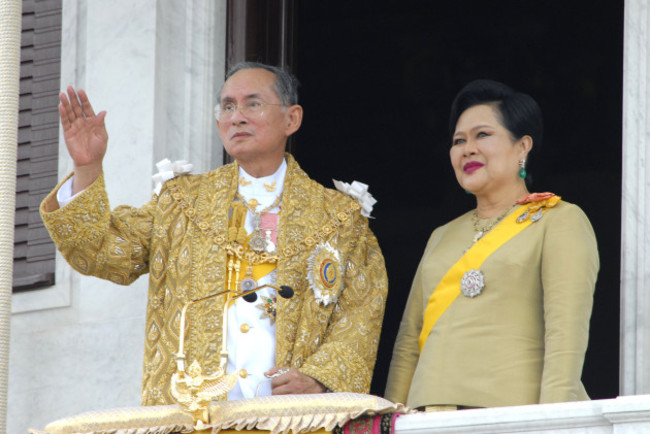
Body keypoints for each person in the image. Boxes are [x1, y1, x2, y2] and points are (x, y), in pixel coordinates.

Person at [40, 62, 388, 405]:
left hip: (293, 419)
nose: (237, 116)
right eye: (227, 106)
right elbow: (101, 252)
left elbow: (361, 312)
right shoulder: (181, 202)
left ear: (291, 119)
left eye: (253, 104)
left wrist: (319, 378)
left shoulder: (339, 217)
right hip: (194, 419)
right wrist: (87, 167)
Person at [384, 79, 599, 410]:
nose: (468, 148)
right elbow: (408, 344)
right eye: (459, 141)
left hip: (511, 415)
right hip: (427, 417)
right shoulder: (441, 235)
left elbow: (565, 341)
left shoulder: (559, 220)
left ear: (523, 146)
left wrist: (555, 421)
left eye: (482, 135)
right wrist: (391, 417)